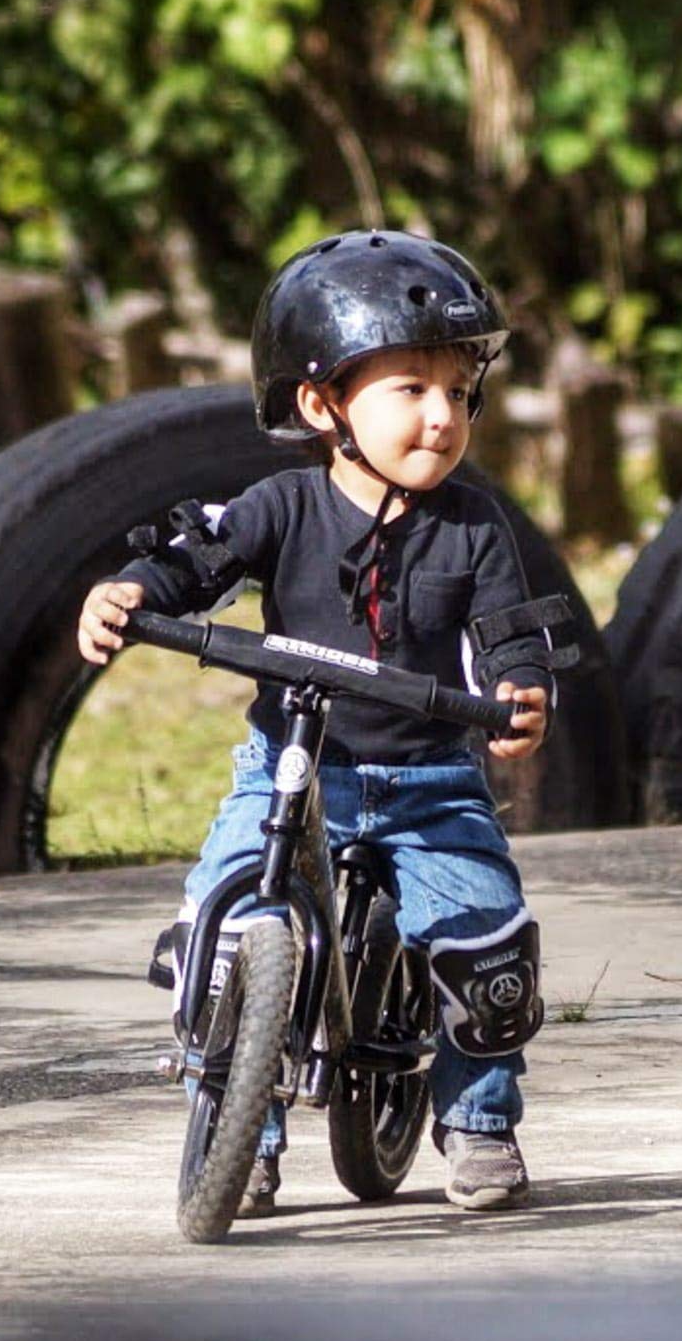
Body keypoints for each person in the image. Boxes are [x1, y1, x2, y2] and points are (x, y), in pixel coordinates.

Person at [77, 229, 564, 1215]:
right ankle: (241, 1135)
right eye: (411, 389)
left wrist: (521, 693)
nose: (442, 416)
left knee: (486, 946)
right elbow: (195, 559)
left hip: (431, 783)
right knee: (230, 931)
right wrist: (130, 593)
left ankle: (478, 1124)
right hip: (292, 771)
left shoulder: (474, 527)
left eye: (459, 392)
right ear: (320, 404)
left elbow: (509, 632)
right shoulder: (281, 507)